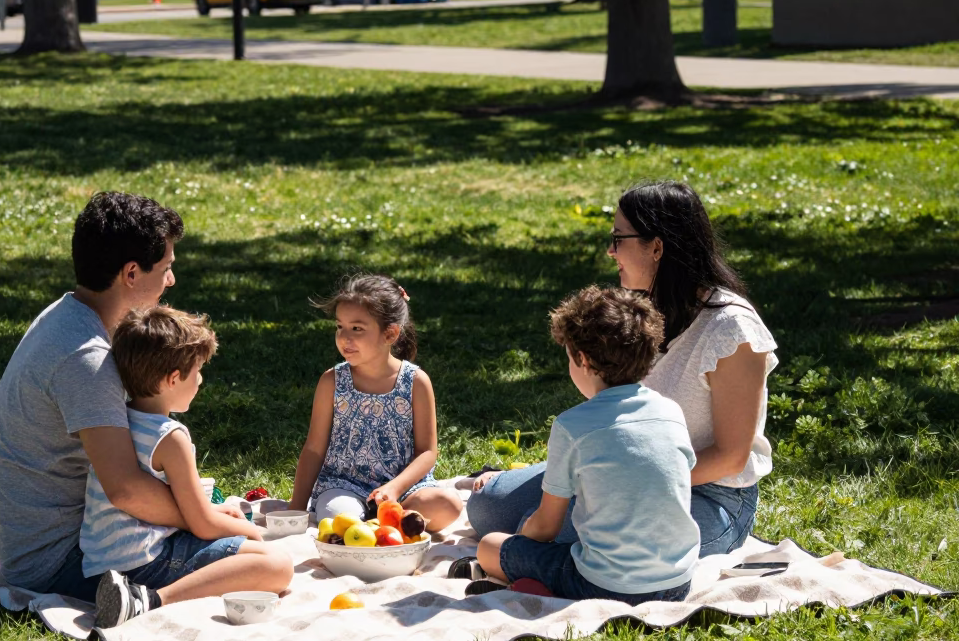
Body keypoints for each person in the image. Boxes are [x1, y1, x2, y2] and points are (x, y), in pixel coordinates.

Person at [467, 181, 777, 559]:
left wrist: (621, 482)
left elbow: (731, 457)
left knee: (553, 531)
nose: (610, 250)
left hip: (710, 495)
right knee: (488, 505)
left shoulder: (732, 330)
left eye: (618, 238)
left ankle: (530, 558)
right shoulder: (639, 312)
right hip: (622, 470)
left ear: (657, 247)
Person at [0, 191, 245, 603]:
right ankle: (145, 603)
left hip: (36, 543)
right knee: (261, 560)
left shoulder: (65, 313)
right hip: (61, 559)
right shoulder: (87, 358)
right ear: (132, 273)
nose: (171, 280)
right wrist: (201, 518)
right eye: (167, 268)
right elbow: (125, 490)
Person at [452, 286, 699, 603]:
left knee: (490, 546)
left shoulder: (574, 425)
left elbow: (546, 527)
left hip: (606, 587)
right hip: (677, 582)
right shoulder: (671, 412)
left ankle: (526, 585)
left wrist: (517, 546)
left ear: (582, 358)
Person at [84, 307, 292, 628]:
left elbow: (192, 510)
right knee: (278, 566)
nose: (201, 379)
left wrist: (217, 514)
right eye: (198, 370)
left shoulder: (116, 421)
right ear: (173, 379)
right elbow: (202, 526)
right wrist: (250, 530)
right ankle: (150, 600)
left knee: (251, 551)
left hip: (97, 566)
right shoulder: (171, 437)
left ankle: (133, 595)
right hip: (146, 563)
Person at [288, 274, 463, 532]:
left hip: (404, 489)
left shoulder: (416, 382)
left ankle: (382, 521)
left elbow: (427, 452)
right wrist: (296, 507)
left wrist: (395, 488)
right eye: (340, 327)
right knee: (337, 517)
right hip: (344, 486)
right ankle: (388, 526)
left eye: (357, 328)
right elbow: (314, 449)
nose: (344, 337)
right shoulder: (331, 382)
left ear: (390, 333)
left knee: (448, 504)